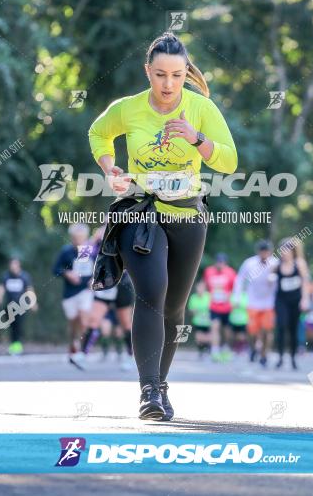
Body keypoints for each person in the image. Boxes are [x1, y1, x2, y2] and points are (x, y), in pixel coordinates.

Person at [88, 31, 238, 420]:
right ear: (147, 72)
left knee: (174, 310)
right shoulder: (129, 108)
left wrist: (197, 139)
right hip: (142, 214)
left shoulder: (201, 108)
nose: (168, 84)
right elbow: (98, 133)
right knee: (151, 294)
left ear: (186, 72)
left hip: (188, 216)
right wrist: (109, 168)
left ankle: (161, 384)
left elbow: (228, 161)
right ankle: (148, 391)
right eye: (159, 75)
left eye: (176, 75)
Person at [52, 223, 96, 370]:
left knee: (84, 320)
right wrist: (67, 273)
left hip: (85, 291)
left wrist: (93, 280)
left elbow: (95, 268)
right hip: (70, 293)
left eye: (81, 238)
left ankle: (81, 353)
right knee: (73, 324)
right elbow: (55, 269)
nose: (79, 241)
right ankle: (72, 346)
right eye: (76, 238)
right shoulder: (66, 252)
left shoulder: (88, 251)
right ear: (71, 238)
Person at [233, 240, 279, 367]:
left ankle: (264, 355)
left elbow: (280, 280)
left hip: (269, 302)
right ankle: (253, 348)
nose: (264, 254)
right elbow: (240, 280)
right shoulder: (249, 263)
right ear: (258, 252)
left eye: (267, 252)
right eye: (262, 251)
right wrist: (236, 297)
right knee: (252, 330)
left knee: (267, 330)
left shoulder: (275, 263)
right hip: (253, 301)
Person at [272, 238, 310, 370]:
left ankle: (293, 358)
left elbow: (305, 282)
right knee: (281, 326)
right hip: (281, 300)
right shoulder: (277, 265)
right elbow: (269, 278)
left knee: (293, 329)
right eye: (282, 250)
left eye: (287, 250)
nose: (284, 253)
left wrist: (305, 299)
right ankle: (281, 358)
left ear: (293, 251)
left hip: (295, 300)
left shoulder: (299, 263)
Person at [85, 271, 135, 371]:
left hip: (122, 285)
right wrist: (94, 278)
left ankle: (130, 355)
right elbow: (97, 261)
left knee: (125, 325)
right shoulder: (97, 256)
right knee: (98, 324)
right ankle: (83, 353)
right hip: (106, 286)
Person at [0, 257, 36, 355]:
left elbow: (29, 289)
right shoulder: (6, 276)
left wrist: (33, 303)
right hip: (9, 306)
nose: (13, 266)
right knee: (12, 326)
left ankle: (18, 346)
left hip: (21, 306)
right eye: (11, 264)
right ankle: (13, 346)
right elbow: (1, 287)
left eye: (15, 264)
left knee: (19, 326)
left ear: (19, 265)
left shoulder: (24, 276)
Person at [204, 253, 238, 362]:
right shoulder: (209, 271)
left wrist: (230, 297)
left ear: (225, 263)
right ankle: (215, 351)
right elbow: (207, 286)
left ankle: (226, 348)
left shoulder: (231, 273)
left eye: (222, 262)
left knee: (226, 330)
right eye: (218, 262)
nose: (220, 264)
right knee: (215, 327)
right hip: (214, 306)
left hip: (227, 307)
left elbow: (235, 288)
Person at [186, 280, 212, 359]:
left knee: (207, 337)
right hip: (197, 321)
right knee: (198, 338)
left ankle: (207, 350)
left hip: (208, 322)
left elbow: (213, 308)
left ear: (205, 288)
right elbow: (191, 310)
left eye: (202, 287)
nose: (200, 289)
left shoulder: (209, 296)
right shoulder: (193, 297)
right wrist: (195, 311)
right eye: (198, 287)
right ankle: (201, 351)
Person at [228, 289, 249, 356]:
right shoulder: (232, 295)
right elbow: (229, 306)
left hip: (243, 320)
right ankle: (235, 349)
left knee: (241, 336)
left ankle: (242, 349)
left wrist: (238, 305)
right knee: (233, 335)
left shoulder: (245, 295)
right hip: (233, 319)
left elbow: (247, 306)